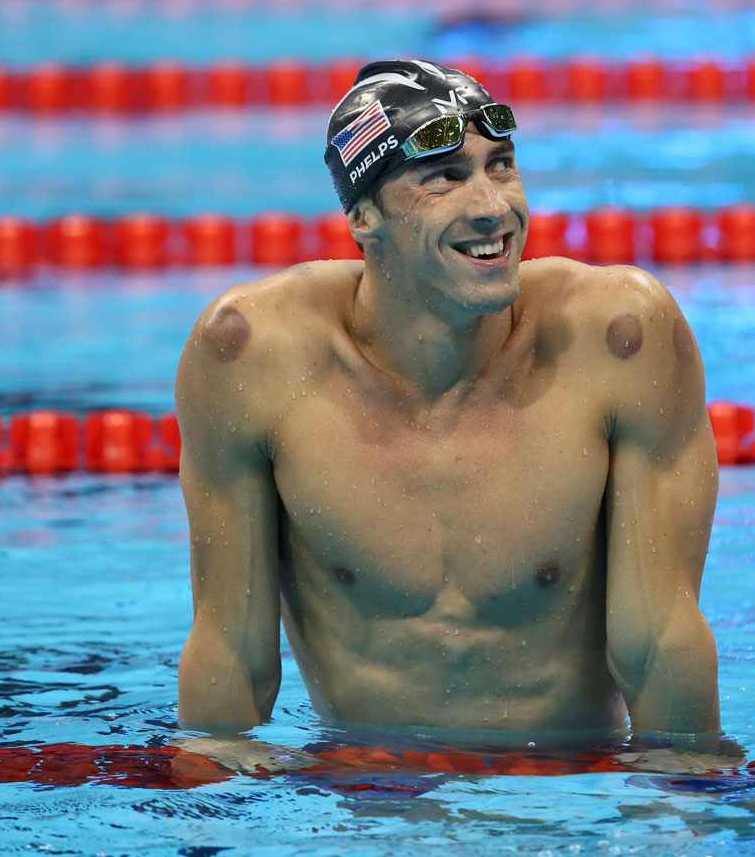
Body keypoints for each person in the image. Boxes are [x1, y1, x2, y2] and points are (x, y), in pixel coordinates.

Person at [173, 59, 725, 767]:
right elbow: (231, 657)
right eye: (446, 177)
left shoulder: (618, 337)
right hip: (364, 798)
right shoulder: (252, 356)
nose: (495, 205)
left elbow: (662, 645)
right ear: (362, 217)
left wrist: (685, 813)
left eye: (502, 166)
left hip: (567, 794)